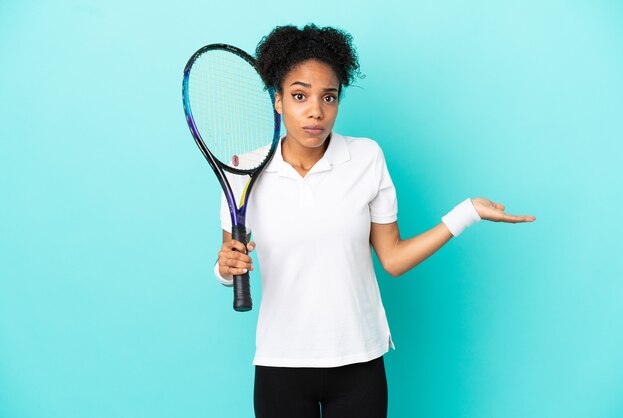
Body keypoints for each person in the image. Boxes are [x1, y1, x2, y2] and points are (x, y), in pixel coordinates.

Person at [214, 23, 536, 418]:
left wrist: (465, 213)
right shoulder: (242, 171)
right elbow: (231, 260)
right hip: (281, 363)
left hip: (359, 363)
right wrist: (223, 268)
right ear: (278, 100)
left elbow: (394, 259)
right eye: (300, 96)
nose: (316, 110)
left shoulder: (366, 158)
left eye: (328, 97)